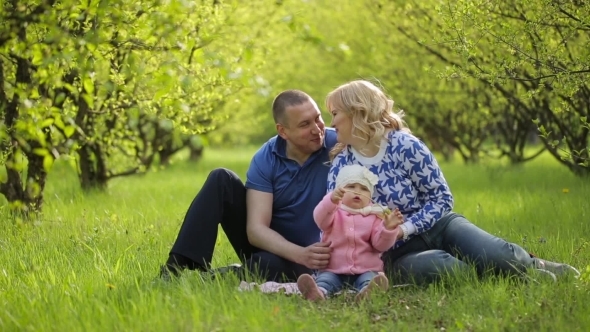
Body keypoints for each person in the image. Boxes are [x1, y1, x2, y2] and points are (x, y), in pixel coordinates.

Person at [324, 79, 580, 285]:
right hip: (392, 252)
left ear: (358, 112)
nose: (331, 123)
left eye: (335, 113)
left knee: (496, 255)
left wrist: (406, 227)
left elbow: (441, 198)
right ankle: (504, 276)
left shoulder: (405, 146)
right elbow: (336, 219)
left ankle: (531, 266)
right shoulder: (341, 166)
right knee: (445, 269)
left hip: (439, 226)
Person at [160, 89, 338, 282]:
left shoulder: (339, 144)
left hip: (314, 257)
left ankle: (223, 276)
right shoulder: (266, 158)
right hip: (273, 246)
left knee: (266, 265)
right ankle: (173, 270)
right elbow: (256, 230)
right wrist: (299, 253)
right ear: (282, 131)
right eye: (305, 124)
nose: (317, 129)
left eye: (317, 118)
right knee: (221, 178)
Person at [296, 164, 404, 301]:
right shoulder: (333, 211)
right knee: (326, 280)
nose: (357, 192)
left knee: (369, 279)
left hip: (366, 269)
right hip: (333, 269)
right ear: (340, 190)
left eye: (364, 188)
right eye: (351, 186)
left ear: (370, 196)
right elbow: (319, 219)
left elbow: (380, 246)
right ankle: (318, 292)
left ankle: (368, 293)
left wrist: (388, 228)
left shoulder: (375, 215)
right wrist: (331, 200)